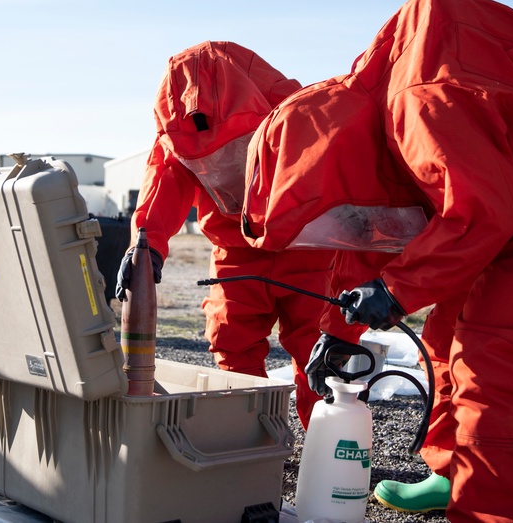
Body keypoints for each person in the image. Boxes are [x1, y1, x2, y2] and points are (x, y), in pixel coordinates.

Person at [241, 0, 513, 522]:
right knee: (445, 341)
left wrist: (396, 290)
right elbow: (369, 233)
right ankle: (451, 476)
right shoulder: (371, 129)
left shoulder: (418, 105)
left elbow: (480, 215)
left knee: (486, 365)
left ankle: (487, 513)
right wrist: (337, 328)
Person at [115, 41, 364, 429]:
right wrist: (146, 246)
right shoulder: (176, 134)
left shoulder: (298, 107)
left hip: (309, 246)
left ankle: (326, 443)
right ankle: (250, 445)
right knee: (233, 347)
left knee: (321, 353)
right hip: (238, 254)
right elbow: (165, 180)